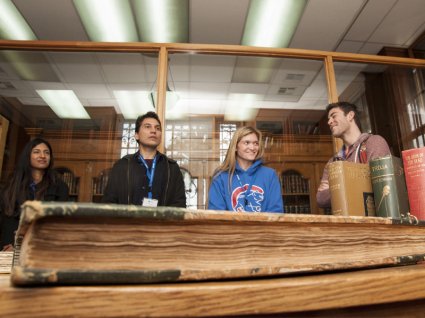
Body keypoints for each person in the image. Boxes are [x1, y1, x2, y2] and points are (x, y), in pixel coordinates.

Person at [102, 111, 186, 208]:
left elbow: (180, 204)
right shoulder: (122, 166)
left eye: (157, 128)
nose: (153, 131)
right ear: (136, 135)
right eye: (147, 126)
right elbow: (109, 203)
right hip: (128, 222)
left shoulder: (171, 167)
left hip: (161, 222)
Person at [316, 101, 391, 208]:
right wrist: (358, 182)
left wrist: (337, 186)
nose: (329, 122)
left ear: (350, 115)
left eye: (333, 116)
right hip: (347, 223)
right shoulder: (332, 162)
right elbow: (321, 199)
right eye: (328, 119)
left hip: (375, 222)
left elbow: (379, 185)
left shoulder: (374, 142)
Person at [0, 138, 69, 251]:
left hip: (43, 248)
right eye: (37, 152)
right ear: (27, 156)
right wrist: (10, 245)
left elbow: (58, 223)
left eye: (46, 152)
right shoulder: (12, 185)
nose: (42, 156)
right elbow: (6, 218)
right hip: (9, 248)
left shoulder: (60, 187)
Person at [208, 126, 283, 213]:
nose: (252, 148)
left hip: (263, 227)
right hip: (230, 227)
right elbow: (216, 214)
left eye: (256, 143)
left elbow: (276, 212)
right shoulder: (221, 176)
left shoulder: (270, 175)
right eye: (247, 143)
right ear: (236, 147)